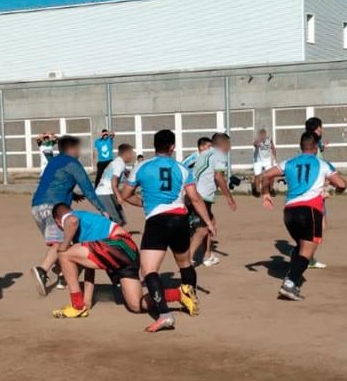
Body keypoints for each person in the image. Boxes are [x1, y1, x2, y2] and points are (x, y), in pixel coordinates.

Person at [120, 129, 215, 333]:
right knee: (185, 263)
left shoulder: (141, 167)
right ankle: (190, 300)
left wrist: (145, 203)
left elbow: (125, 195)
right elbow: (195, 198)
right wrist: (208, 222)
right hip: (180, 219)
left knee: (149, 270)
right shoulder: (182, 168)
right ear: (172, 147)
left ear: (154, 146)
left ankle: (164, 315)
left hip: (157, 221)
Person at [49, 203, 192, 318]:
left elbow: (71, 221)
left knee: (64, 254)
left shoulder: (71, 216)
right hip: (129, 252)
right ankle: (179, 294)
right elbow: (89, 269)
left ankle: (76, 305)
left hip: (118, 244)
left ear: (57, 221)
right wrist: (87, 302)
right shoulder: (86, 230)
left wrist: (63, 247)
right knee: (136, 305)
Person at [260, 131, 347, 300]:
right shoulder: (322, 164)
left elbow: (266, 175)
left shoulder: (289, 162)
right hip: (310, 211)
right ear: (316, 148)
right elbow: (342, 183)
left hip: (289, 212)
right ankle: (290, 283)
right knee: (307, 251)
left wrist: (266, 193)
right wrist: (338, 189)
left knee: (300, 247)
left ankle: (292, 275)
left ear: (301, 147)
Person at [29, 135, 107, 296]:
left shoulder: (54, 162)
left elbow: (54, 181)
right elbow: (89, 190)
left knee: (62, 244)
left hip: (37, 207)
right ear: (72, 149)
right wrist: (102, 209)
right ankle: (42, 270)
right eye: (78, 148)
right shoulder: (73, 164)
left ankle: (61, 278)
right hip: (53, 207)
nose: (79, 151)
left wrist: (72, 194)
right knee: (60, 242)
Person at [188, 133, 236, 267]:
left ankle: (207, 255)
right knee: (202, 229)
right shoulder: (220, 154)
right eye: (229, 145)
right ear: (223, 144)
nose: (230, 148)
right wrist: (229, 198)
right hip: (202, 196)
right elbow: (218, 176)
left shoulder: (203, 153)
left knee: (211, 222)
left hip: (193, 192)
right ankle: (188, 260)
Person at [302, 117, 329, 270]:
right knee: (319, 225)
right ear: (317, 129)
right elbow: (313, 164)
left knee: (319, 225)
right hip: (315, 189)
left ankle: (307, 255)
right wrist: (322, 185)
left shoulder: (312, 143)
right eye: (321, 127)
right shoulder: (313, 144)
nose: (322, 130)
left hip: (315, 187)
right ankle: (307, 257)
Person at [95, 143, 134, 226]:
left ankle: (114, 236)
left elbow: (129, 174)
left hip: (108, 193)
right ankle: (107, 237)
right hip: (104, 193)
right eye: (131, 153)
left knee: (121, 220)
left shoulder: (119, 162)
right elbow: (114, 181)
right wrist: (119, 197)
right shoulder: (119, 164)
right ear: (126, 154)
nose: (132, 156)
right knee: (116, 220)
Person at [252, 129, 277, 195]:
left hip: (268, 160)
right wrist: (259, 141)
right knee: (257, 175)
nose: (263, 136)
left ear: (266, 135)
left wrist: (274, 158)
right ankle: (257, 190)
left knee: (271, 175)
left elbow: (273, 148)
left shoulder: (269, 139)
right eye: (261, 135)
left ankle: (271, 189)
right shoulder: (258, 140)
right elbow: (254, 144)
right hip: (258, 160)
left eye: (264, 135)